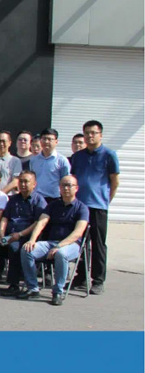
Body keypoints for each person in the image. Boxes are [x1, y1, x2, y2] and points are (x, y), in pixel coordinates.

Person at [18, 175, 90, 306]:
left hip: (72, 245)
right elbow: (41, 222)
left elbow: (78, 233)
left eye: (69, 185)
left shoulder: (82, 208)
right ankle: (33, 288)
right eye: (63, 185)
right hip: (51, 242)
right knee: (27, 249)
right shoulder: (53, 205)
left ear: (76, 188)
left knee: (61, 254)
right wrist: (32, 240)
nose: (66, 188)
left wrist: (59, 246)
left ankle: (58, 292)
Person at [70, 120, 119, 295]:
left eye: (93, 133)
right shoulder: (78, 156)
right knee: (79, 242)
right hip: (80, 206)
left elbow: (114, 182)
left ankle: (98, 280)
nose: (90, 136)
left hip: (98, 207)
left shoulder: (109, 155)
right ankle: (81, 277)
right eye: (87, 133)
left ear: (100, 135)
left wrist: (106, 200)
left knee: (98, 244)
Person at [0, 170, 48, 297]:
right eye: (20, 181)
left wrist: (19, 234)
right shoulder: (13, 199)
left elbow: (37, 223)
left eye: (26, 181)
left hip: (25, 237)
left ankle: (14, 285)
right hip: (9, 235)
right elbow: (5, 218)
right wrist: (1, 234)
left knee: (14, 247)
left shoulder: (39, 201)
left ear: (34, 184)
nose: (23, 184)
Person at [28, 128, 71, 203]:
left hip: (54, 199)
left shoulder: (62, 160)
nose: (46, 141)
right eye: (44, 139)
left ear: (56, 142)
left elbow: (65, 181)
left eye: (49, 139)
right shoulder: (34, 160)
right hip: (36, 198)